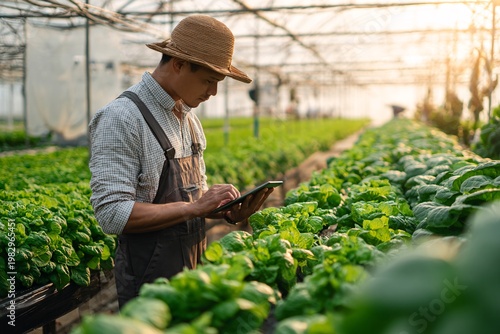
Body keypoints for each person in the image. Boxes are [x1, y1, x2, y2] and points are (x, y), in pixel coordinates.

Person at [88, 14, 274, 308]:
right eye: (209, 81)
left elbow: (192, 204)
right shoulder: (122, 117)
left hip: (193, 272)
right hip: (150, 288)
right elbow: (111, 214)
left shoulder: (189, 120)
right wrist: (194, 207)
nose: (212, 92)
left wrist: (222, 211)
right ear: (178, 64)